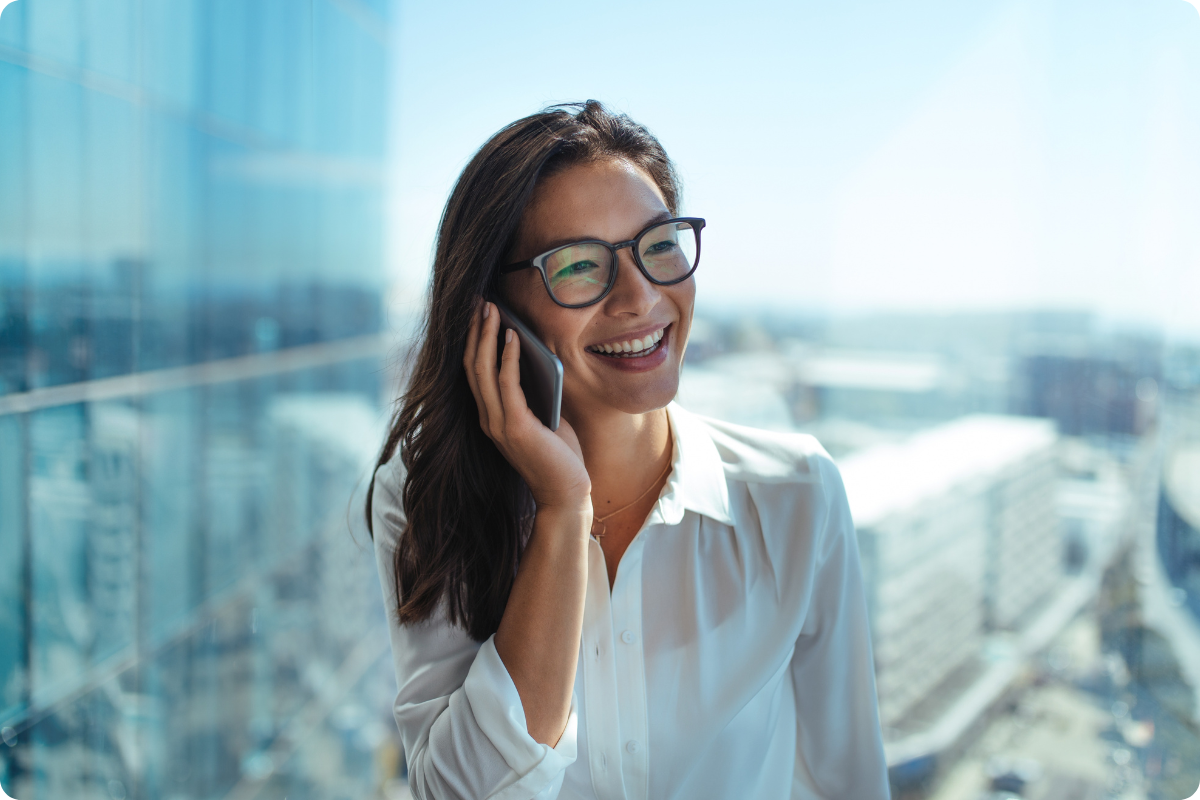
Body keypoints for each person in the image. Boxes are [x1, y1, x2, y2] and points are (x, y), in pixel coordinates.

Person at [366, 101, 890, 800]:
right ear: (491, 311)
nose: (641, 296)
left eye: (660, 244)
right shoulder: (428, 501)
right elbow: (458, 792)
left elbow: (847, 783)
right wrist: (562, 512)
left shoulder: (795, 494)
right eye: (580, 264)